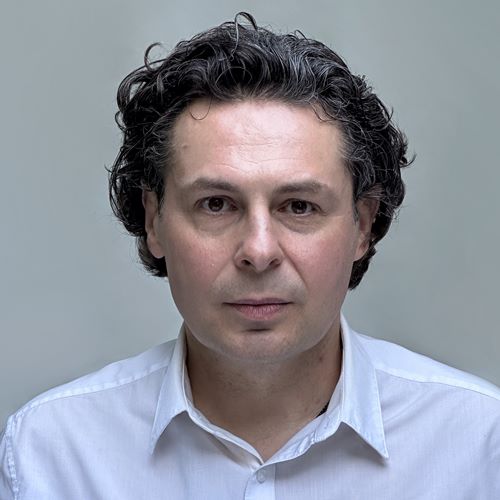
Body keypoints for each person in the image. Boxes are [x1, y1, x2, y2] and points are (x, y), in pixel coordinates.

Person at [1, 13, 499, 499]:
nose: (259, 252)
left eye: (299, 206)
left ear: (362, 226)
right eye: (216, 204)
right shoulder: (51, 452)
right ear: (154, 222)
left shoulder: (481, 443)